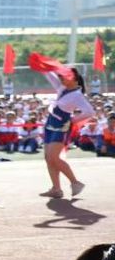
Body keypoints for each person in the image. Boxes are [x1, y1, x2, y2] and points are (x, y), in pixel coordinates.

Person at [40, 65, 95, 198]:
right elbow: (49, 76)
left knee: (54, 157)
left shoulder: (77, 95)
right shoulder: (62, 88)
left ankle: (75, 182)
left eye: (63, 77)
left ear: (73, 78)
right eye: (61, 77)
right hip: (50, 124)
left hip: (62, 127)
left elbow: (90, 112)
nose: (61, 79)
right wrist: (42, 66)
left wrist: (73, 120)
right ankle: (56, 189)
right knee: (48, 158)